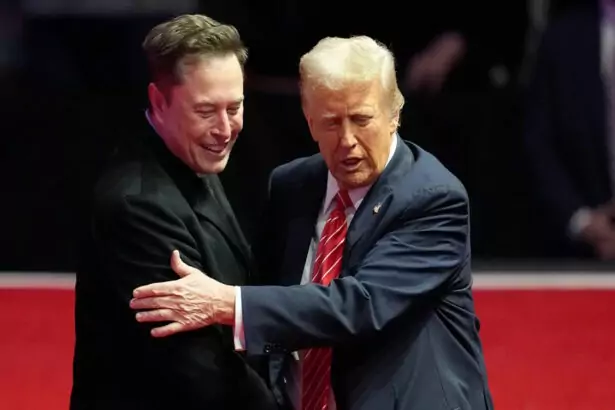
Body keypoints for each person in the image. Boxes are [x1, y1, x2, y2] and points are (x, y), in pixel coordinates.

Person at [130, 35, 493, 410]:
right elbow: (273, 290)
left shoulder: (433, 198)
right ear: (309, 121)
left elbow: (360, 306)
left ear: (394, 115)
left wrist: (226, 303)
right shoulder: (292, 186)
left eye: (362, 119)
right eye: (331, 122)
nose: (347, 140)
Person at [70, 14, 277, 410]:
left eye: (235, 107)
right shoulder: (137, 205)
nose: (225, 129)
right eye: (205, 111)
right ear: (158, 101)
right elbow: (199, 375)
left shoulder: (190, 153)